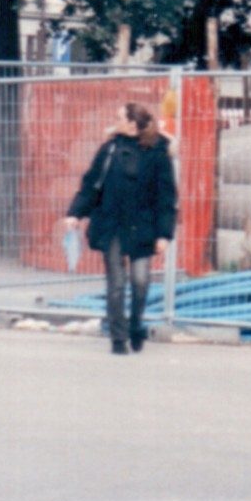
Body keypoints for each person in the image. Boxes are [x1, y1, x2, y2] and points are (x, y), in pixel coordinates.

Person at [65, 103, 178, 355]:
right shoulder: (110, 149)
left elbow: (166, 197)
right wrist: (75, 213)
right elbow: (92, 184)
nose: (115, 121)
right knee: (116, 283)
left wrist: (164, 233)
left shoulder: (157, 152)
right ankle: (118, 337)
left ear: (132, 124)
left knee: (140, 281)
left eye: (119, 118)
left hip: (143, 226)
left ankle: (136, 324)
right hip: (111, 224)